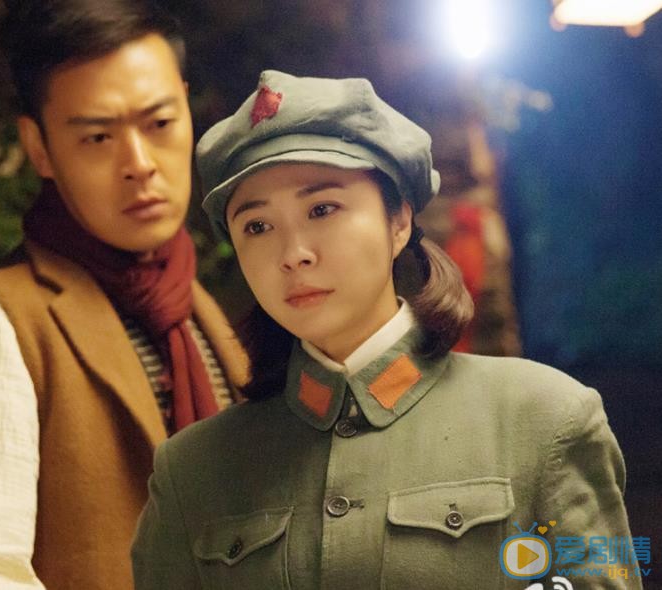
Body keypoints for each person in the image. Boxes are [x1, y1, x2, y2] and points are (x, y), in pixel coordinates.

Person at [131, 70, 639, 589]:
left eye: (322, 209)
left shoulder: (544, 421)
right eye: (257, 226)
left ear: (398, 222)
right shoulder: (192, 471)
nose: (293, 254)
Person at [0, 2, 247, 588]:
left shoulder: (198, 311)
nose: (139, 164)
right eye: (98, 136)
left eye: (160, 123)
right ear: (38, 147)